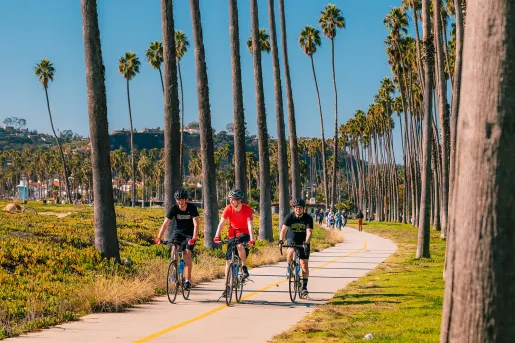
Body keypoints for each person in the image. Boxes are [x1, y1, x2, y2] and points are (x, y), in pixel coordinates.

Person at [155, 189, 199, 291]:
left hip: (189, 234)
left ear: (186, 200)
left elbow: (196, 224)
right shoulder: (174, 208)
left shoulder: (192, 208)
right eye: (178, 200)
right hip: (178, 233)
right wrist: (159, 237)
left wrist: (194, 238)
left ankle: (187, 281)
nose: (180, 202)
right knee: (174, 250)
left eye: (182, 199)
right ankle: (174, 271)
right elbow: (165, 223)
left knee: (187, 254)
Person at [214, 189, 255, 295]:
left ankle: (244, 267)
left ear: (239, 200)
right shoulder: (228, 208)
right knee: (228, 261)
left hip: (244, 233)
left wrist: (252, 238)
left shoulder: (247, 209)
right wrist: (216, 236)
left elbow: (250, 225)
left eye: (233, 200)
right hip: (233, 233)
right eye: (230, 200)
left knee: (240, 245)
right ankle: (227, 286)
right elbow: (222, 223)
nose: (231, 202)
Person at [279, 198, 313, 297]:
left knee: (304, 264)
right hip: (292, 239)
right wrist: (281, 240)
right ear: (294, 208)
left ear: (304, 208)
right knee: (290, 251)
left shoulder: (308, 218)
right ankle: (289, 267)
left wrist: (306, 242)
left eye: (300, 208)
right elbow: (283, 230)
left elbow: (309, 232)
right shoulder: (289, 217)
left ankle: (304, 287)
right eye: (296, 208)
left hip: (303, 241)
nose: (298, 209)